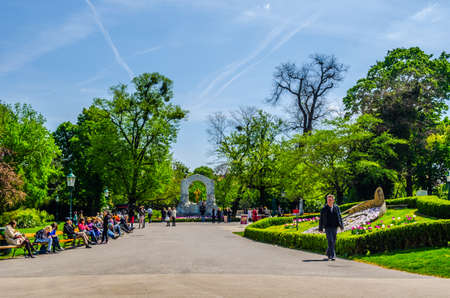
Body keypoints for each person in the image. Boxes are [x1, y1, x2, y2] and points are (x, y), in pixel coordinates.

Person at [319, 194, 344, 261]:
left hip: (335, 226)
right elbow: (321, 219)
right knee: (330, 240)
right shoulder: (324, 209)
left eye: (330, 200)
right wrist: (320, 228)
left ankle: (328, 252)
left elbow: (340, 217)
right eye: (328, 200)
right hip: (327, 227)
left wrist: (341, 226)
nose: (329, 201)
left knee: (333, 240)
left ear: (333, 200)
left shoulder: (337, 208)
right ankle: (332, 256)